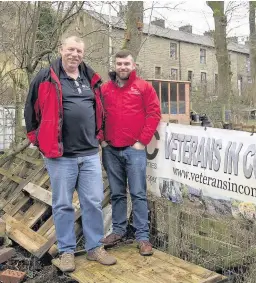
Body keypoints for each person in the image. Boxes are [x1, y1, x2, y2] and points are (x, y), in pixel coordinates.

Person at [24, 35, 116, 272]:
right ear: (61, 49)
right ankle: (66, 251)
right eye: (71, 49)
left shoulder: (91, 78)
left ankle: (95, 247)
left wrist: (100, 135)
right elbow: (30, 110)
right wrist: (35, 138)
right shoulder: (45, 77)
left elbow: (101, 109)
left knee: (93, 202)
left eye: (79, 51)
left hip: (89, 154)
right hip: (60, 156)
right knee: (63, 204)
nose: (75, 54)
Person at [100, 50, 161, 256]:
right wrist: (102, 139)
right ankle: (118, 231)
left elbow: (154, 114)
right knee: (117, 194)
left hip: (134, 150)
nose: (123, 67)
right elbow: (97, 115)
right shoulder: (105, 89)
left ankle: (142, 236)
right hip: (111, 150)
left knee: (138, 193)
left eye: (126, 63)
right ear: (115, 65)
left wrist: (142, 141)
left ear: (133, 65)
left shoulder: (143, 87)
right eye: (119, 63)